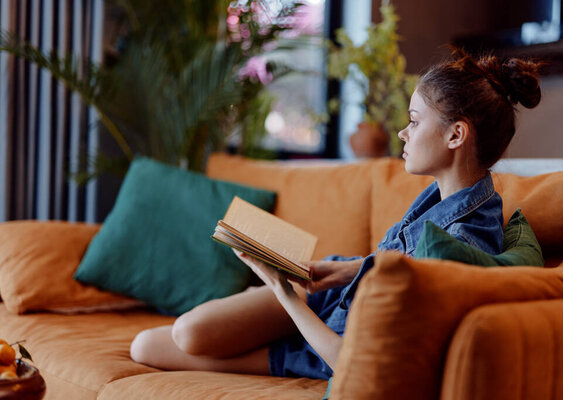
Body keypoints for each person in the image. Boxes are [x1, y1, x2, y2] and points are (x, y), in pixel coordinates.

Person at [129, 47, 542, 379]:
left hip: (327, 340)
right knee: (183, 332)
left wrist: (284, 292)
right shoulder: (447, 196)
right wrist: (343, 271)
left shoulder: (464, 241)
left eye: (414, 121)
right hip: (333, 294)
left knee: (151, 345)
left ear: (456, 134)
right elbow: (400, 267)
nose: (403, 132)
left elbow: (354, 362)